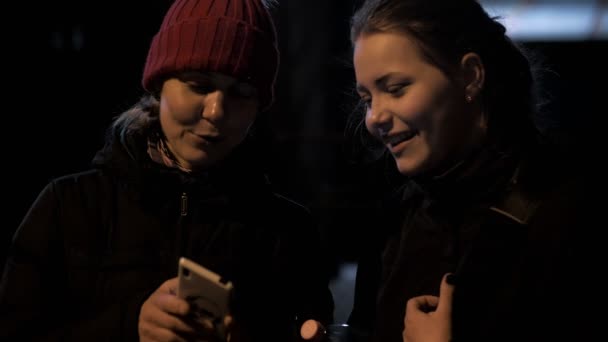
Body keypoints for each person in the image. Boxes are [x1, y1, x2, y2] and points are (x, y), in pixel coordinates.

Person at [0, 0, 334, 341]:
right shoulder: (68, 207)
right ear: (159, 85)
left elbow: (310, 326)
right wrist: (130, 326)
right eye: (199, 85)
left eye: (241, 93)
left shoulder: (288, 230)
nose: (217, 111)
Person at [305, 0, 599, 341]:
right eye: (367, 98)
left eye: (396, 89)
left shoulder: (569, 216)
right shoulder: (396, 218)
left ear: (471, 76)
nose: (374, 118)